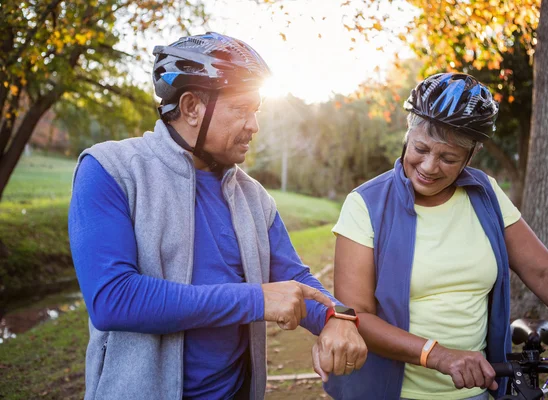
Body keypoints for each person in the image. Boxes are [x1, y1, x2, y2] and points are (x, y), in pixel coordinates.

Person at [68, 32, 367, 400]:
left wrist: (337, 318)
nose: (254, 125)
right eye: (241, 109)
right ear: (192, 107)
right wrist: (255, 300)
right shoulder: (110, 170)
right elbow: (114, 299)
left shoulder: (254, 197)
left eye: (257, 110)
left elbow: (294, 278)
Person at [323, 72, 548, 399]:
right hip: (390, 391)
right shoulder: (365, 204)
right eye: (420, 148)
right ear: (407, 135)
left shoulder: (487, 195)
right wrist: (439, 355)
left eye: (448, 158)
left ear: (470, 156)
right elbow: (356, 317)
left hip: (477, 389)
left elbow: (544, 271)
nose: (428, 166)